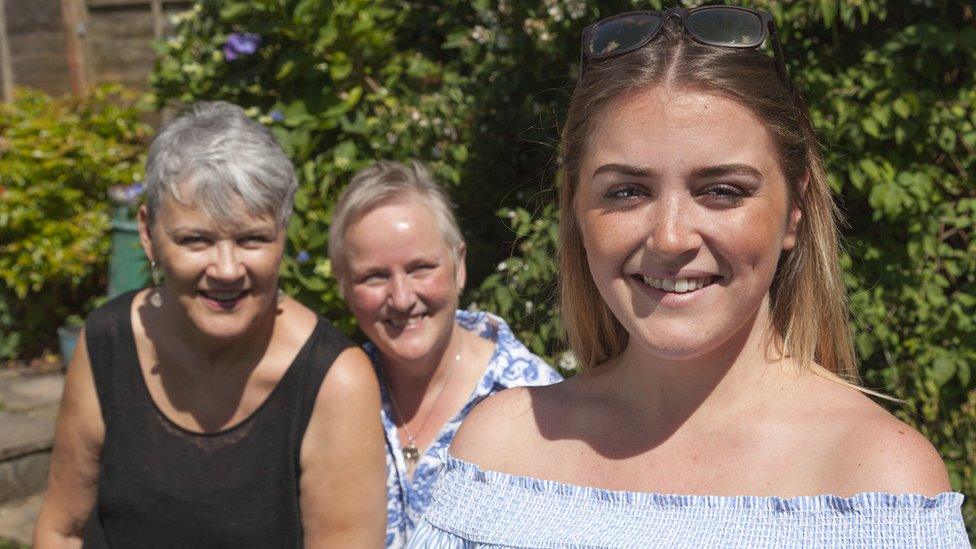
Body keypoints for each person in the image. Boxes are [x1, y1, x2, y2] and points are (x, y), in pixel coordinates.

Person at [409, 7, 969, 547]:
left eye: (722, 190)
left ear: (794, 212)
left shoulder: (876, 483)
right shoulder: (502, 453)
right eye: (627, 191)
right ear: (576, 211)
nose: (671, 238)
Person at [33, 101, 387, 548]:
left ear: (283, 234)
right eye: (196, 240)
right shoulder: (107, 341)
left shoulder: (334, 381)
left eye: (251, 239)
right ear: (147, 233)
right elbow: (61, 530)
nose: (226, 269)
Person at [327, 160, 562, 547]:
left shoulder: (540, 405)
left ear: (459, 266)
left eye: (421, 268)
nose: (401, 298)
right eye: (374, 276)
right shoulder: (330, 399)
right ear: (344, 286)